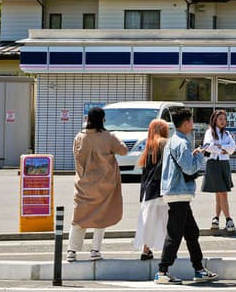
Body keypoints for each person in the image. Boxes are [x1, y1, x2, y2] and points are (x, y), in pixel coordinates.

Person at [155, 107, 218, 284]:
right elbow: (189, 168)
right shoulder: (182, 143)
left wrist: (194, 154)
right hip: (178, 192)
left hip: (176, 192)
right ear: (185, 123)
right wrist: (201, 156)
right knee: (175, 234)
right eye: (190, 121)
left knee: (191, 232)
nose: (192, 124)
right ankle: (163, 271)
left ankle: (198, 268)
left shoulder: (174, 140)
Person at [68, 107, 129, 262]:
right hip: (104, 185)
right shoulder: (108, 137)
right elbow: (123, 151)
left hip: (84, 184)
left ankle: (72, 251)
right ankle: (95, 250)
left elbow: (75, 155)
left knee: (79, 218)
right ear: (103, 119)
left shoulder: (79, 137)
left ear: (88, 119)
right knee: (102, 217)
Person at [134, 119, 170, 261]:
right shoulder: (165, 143)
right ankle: (168, 251)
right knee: (167, 221)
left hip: (148, 191)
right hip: (162, 189)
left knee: (148, 221)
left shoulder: (149, 146)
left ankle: (146, 249)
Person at [202, 109, 236, 232]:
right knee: (222, 192)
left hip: (224, 164)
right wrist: (223, 149)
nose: (223, 121)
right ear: (215, 120)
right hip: (213, 164)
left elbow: (233, 148)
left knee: (220, 193)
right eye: (220, 119)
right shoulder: (209, 132)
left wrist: (220, 147)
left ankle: (216, 218)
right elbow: (208, 146)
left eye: (224, 119)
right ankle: (228, 219)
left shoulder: (227, 134)